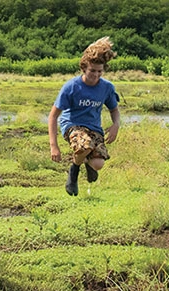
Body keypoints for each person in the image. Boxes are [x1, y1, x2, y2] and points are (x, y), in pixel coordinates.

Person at [48, 36, 121, 196]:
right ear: (84, 68)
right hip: (72, 125)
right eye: (92, 71)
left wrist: (116, 125)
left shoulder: (107, 87)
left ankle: (87, 162)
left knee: (98, 163)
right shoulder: (71, 87)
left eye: (99, 71)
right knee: (84, 146)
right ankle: (73, 172)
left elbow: (114, 110)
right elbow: (53, 116)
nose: (95, 75)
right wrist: (54, 145)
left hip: (94, 128)